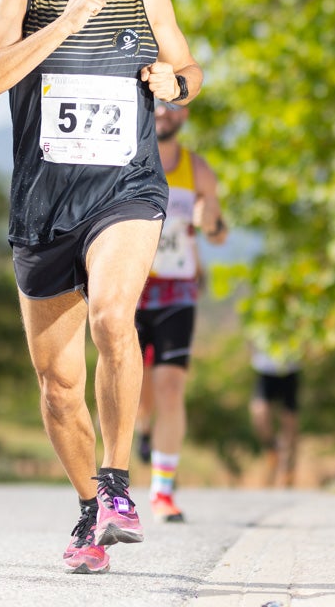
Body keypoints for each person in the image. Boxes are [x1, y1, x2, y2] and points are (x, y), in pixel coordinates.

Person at [0, 0, 203, 575]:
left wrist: (175, 81)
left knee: (111, 317)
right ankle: (88, 508)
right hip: (43, 205)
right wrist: (63, 27)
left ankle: (119, 484)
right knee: (58, 385)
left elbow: (190, 73)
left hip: (126, 191)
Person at [133, 100, 228, 522]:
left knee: (170, 386)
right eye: (156, 103)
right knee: (134, 388)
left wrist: (211, 222)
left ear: (184, 114)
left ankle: (162, 492)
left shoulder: (198, 170)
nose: (163, 112)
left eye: (173, 105)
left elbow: (219, 233)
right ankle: (143, 428)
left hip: (176, 292)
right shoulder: (126, 160)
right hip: (128, 290)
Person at [249, 340, 302, 488]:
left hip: (290, 367)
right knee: (260, 413)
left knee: (290, 420)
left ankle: (288, 468)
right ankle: (272, 450)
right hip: (265, 369)